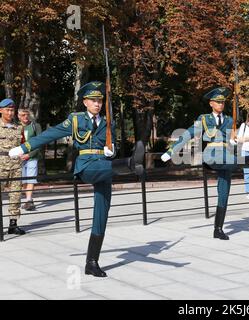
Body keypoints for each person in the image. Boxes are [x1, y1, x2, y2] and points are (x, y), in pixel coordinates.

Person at [9, 81, 145, 277]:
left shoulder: (108, 122)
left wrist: (112, 148)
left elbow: (111, 144)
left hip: (105, 168)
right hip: (87, 166)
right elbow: (49, 134)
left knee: (102, 215)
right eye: (93, 100)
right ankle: (130, 164)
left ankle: (92, 262)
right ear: (85, 102)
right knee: (116, 167)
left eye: (100, 100)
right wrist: (23, 148)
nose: (97, 104)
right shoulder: (75, 120)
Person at [161, 87, 237, 240]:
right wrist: (171, 151)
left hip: (226, 157)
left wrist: (233, 141)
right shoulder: (204, 119)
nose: (221, 104)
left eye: (223, 102)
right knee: (240, 162)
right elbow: (188, 133)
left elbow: (230, 140)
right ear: (211, 103)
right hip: (212, 155)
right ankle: (247, 162)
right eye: (218, 102)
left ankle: (218, 229)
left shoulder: (229, 120)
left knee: (224, 193)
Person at [0, 98, 26, 235]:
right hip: (0, 164)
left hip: (15, 164)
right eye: (7, 110)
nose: (10, 113)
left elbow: (23, 143)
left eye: (12, 110)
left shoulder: (19, 127)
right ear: (1, 110)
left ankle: (13, 224)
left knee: (15, 195)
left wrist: (25, 153)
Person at [18, 108, 42, 211]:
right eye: (23, 115)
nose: (25, 117)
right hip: (19, 157)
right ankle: (27, 200)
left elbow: (40, 142)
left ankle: (29, 200)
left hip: (32, 157)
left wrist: (30, 154)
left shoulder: (35, 126)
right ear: (18, 116)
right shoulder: (16, 127)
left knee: (31, 178)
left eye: (27, 115)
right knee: (23, 180)